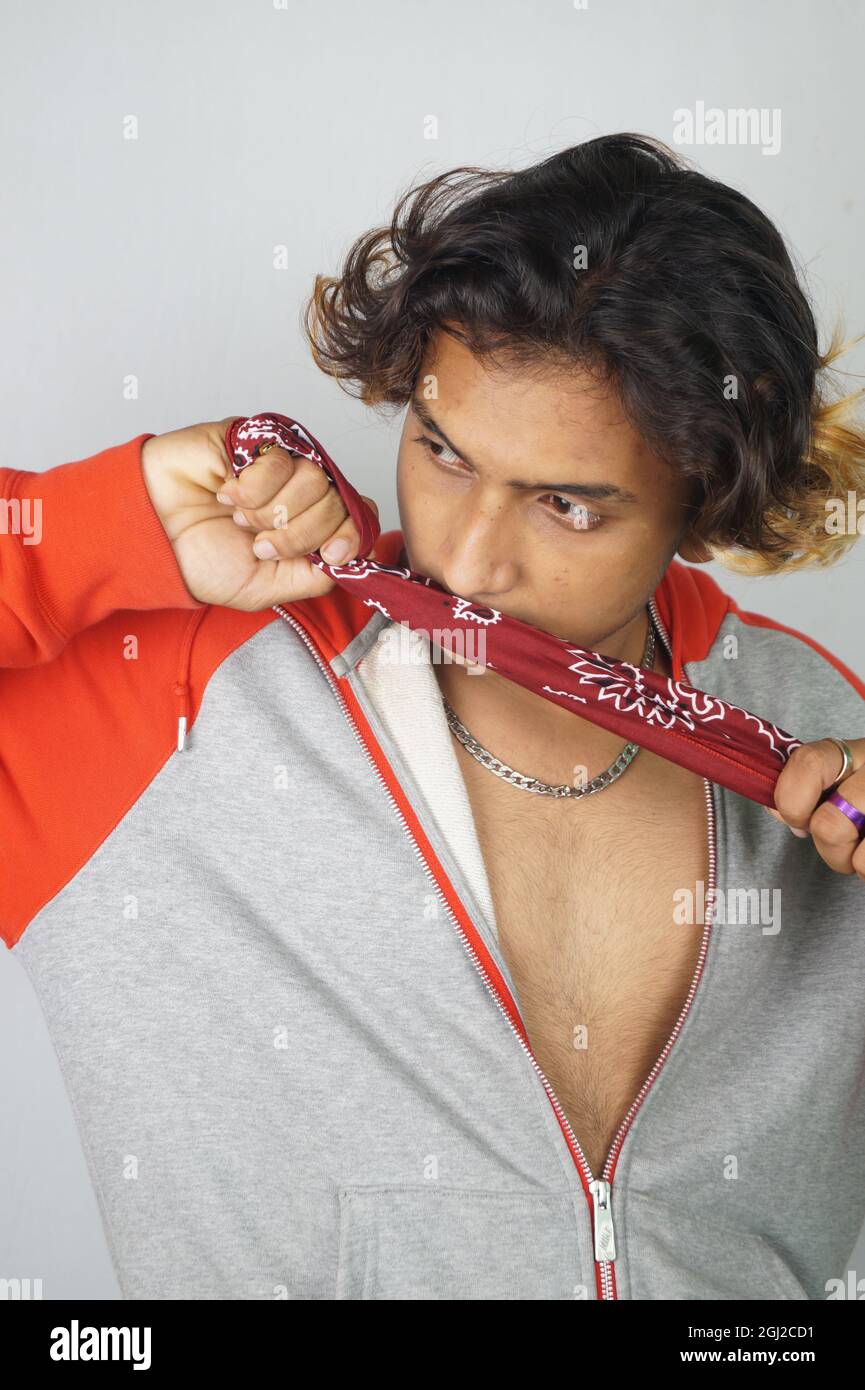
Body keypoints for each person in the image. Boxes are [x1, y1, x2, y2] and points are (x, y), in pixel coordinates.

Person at [2, 132, 864, 1301]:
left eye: (566, 505)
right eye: (442, 451)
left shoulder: (820, 723)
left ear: (706, 503)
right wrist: (105, 522)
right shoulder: (172, 708)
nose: (466, 559)